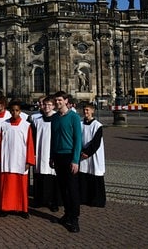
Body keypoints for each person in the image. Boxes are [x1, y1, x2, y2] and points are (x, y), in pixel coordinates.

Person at [50, 91, 83, 233]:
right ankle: (67, 213)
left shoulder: (74, 117)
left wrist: (76, 160)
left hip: (69, 156)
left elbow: (78, 140)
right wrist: (51, 156)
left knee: (72, 189)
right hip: (58, 156)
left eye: (60, 100)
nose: (57, 103)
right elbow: (53, 138)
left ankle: (74, 218)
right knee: (62, 187)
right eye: (56, 100)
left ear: (66, 101)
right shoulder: (55, 118)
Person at [0, 101, 35, 219]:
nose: (14, 113)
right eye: (12, 110)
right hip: (7, 159)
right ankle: (5, 207)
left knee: (21, 186)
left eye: (17, 110)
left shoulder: (26, 125)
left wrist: (29, 161)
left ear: (20, 111)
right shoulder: (4, 124)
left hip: (20, 160)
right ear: (9, 111)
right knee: (6, 185)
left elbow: (30, 144)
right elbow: (0, 142)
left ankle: (22, 208)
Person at [32, 96, 60, 211]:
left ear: (53, 106)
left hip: (52, 151)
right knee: (40, 176)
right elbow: (33, 137)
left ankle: (53, 202)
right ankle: (39, 200)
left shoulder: (57, 119)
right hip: (39, 151)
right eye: (45, 105)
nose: (46, 107)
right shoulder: (37, 120)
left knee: (52, 177)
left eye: (49, 105)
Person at [79, 103, 106, 207]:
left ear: (92, 111)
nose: (86, 112)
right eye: (84, 110)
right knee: (84, 176)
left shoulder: (97, 125)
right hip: (83, 154)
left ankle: (96, 200)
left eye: (87, 110)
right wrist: (81, 151)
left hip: (93, 154)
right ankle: (84, 198)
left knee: (95, 176)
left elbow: (96, 142)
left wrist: (88, 152)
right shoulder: (80, 124)